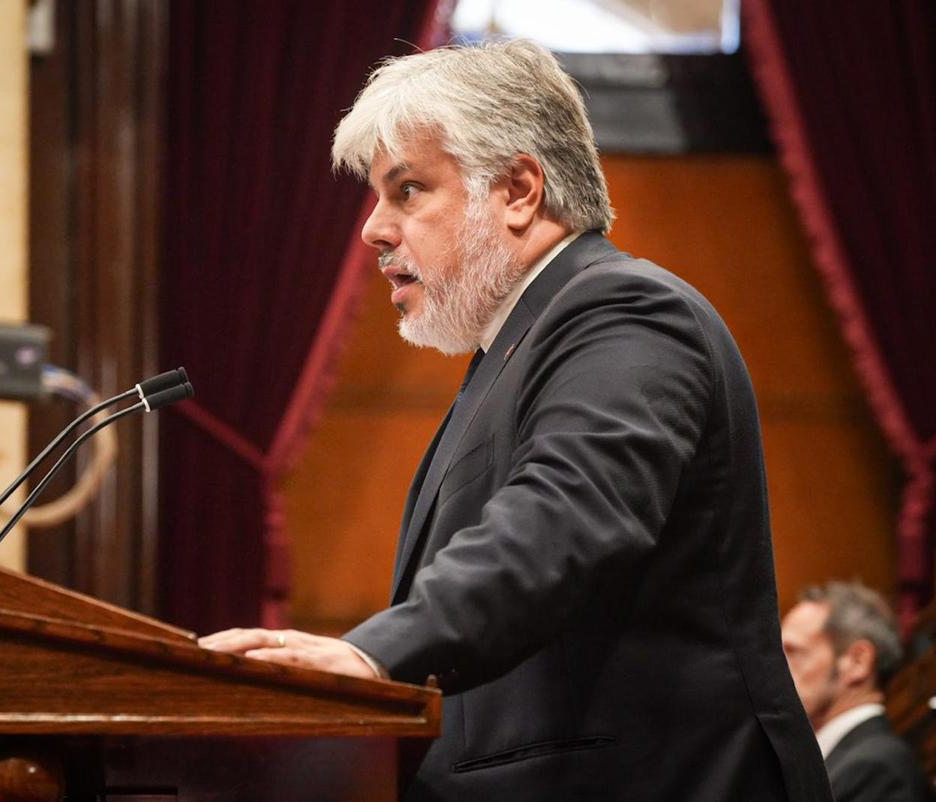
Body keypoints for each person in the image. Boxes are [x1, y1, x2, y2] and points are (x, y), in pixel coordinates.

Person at [200, 39, 833, 801]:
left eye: (407, 191)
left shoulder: (623, 312)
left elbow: (564, 521)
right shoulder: (516, 346)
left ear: (520, 189)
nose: (373, 229)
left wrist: (370, 657)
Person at [782, 582, 933, 802]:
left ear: (857, 661)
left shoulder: (879, 770)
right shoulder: (854, 760)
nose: (777, 670)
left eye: (793, 652)